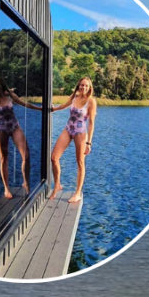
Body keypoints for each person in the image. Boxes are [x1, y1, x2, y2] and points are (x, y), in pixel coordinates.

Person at [49, 76, 98, 204]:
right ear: (78, 85)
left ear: (89, 88)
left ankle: (77, 193)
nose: (83, 87)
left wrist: (89, 142)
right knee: (54, 157)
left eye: (86, 86)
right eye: (82, 85)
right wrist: (54, 109)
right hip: (68, 129)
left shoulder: (91, 101)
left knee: (80, 162)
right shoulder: (74, 96)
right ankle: (58, 184)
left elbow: (92, 123)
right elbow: (65, 105)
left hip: (81, 133)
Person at [0, 77, 44, 199]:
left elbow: (25, 104)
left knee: (26, 155)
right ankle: (6, 189)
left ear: (2, 85)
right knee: (3, 158)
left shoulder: (10, 96)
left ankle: (26, 182)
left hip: (14, 126)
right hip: (0, 129)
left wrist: (40, 109)